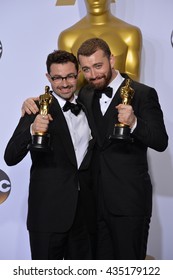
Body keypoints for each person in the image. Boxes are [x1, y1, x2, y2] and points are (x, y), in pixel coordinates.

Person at [21, 38, 168, 260]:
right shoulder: (87, 94)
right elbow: (61, 95)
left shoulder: (143, 93)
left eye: (98, 66)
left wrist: (135, 122)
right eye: (86, 69)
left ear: (112, 59)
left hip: (128, 204)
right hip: (91, 206)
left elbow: (160, 140)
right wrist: (31, 102)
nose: (93, 75)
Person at [4, 50, 96, 260]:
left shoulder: (87, 106)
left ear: (78, 74)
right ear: (48, 78)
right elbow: (10, 156)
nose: (64, 83)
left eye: (70, 76)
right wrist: (31, 130)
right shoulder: (36, 108)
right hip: (47, 216)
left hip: (84, 216)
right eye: (57, 78)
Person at [58, 0, 142, 85]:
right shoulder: (67, 37)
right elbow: (68, 81)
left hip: (122, 96)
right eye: (86, 69)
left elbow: (133, 78)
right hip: (83, 97)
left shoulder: (130, 33)